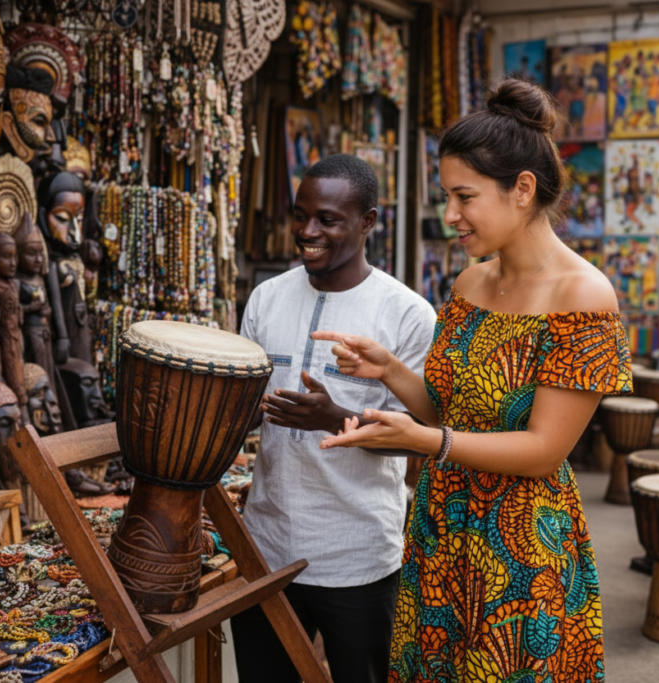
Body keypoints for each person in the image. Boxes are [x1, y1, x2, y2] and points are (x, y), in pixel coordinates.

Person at [313, 79, 631, 682]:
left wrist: (424, 443)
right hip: (441, 531)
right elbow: (444, 411)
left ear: (522, 190)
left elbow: (544, 451)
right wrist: (392, 370)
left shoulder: (583, 297)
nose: (450, 216)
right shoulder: (470, 284)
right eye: (446, 196)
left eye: (464, 197)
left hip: (519, 550)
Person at [232, 154, 437, 683]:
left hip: (358, 555)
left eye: (327, 219)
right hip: (268, 546)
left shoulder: (407, 313)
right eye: (300, 215)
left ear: (368, 221)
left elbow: (419, 441)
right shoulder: (266, 298)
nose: (307, 231)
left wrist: (334, 418)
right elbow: (248, 411)